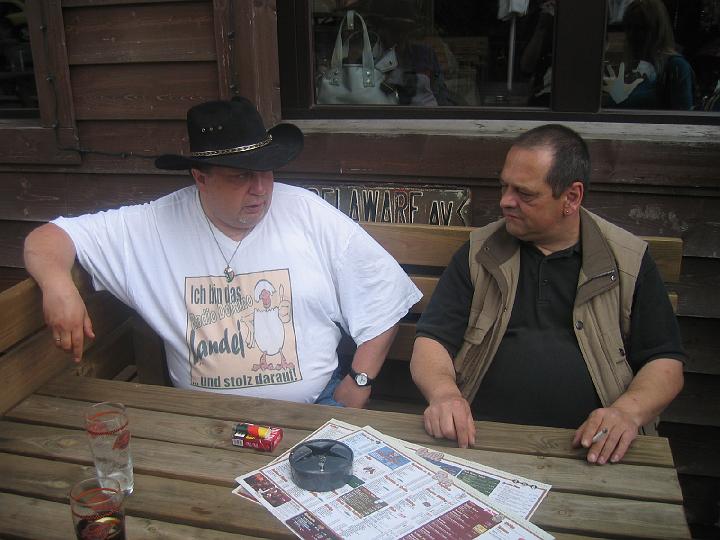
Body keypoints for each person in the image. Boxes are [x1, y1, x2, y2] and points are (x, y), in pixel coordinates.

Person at [24, 97, 421, 408]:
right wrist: (58, 285)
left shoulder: (307, 213)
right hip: (203, 419)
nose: (261, 189)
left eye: (266, 171)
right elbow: (49, 237)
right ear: (200, 178)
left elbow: (384, 296)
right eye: (241, 176)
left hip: (313, 411)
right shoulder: (153, 226)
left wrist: (359, 383)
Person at [410, 124, 685, 464]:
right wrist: (444, 394)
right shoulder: (481, 252)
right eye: (504, 186)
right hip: (481, 438)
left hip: (593, 449)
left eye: (524, 194)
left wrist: (626, 413)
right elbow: (432, 339)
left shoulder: (627, 260)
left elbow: (665, 363)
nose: (505, 201)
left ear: (571, 197)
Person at [603, 0, 695, 110]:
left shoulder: (676, 67)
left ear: (656, 30)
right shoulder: (630, 67)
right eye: (629, 27)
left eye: (640, 28)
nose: (632, 34)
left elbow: (682, 116)